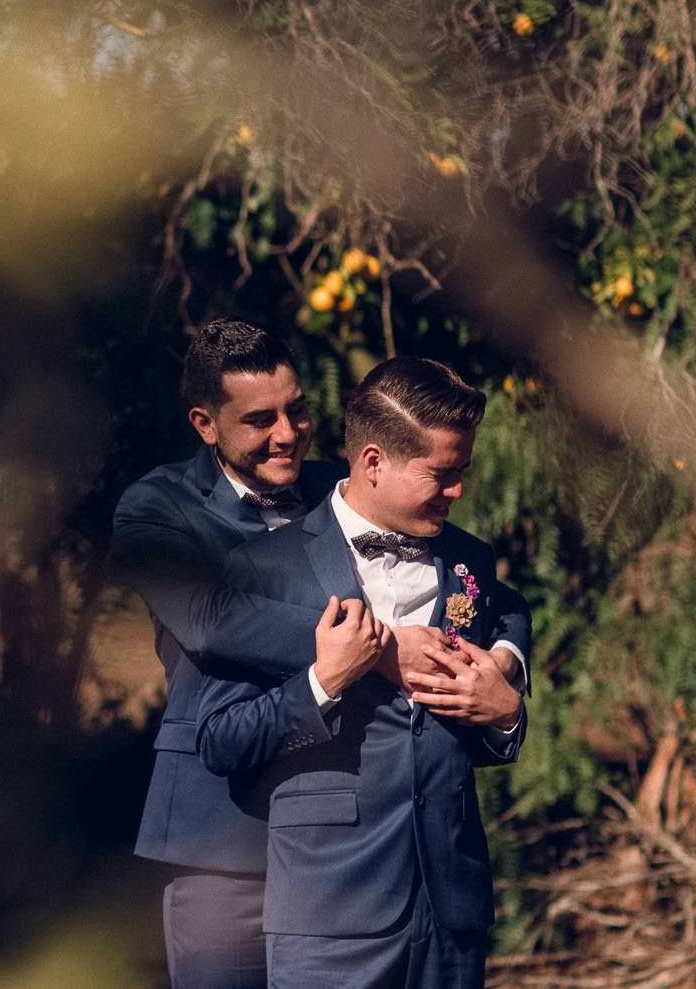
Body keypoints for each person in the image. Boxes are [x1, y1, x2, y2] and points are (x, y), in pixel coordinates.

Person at [112, 324, 528, 988]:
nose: (288, 432)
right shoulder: (156, 508)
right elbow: (211, 620)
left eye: (298, 408)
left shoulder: (355, 479)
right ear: (205, 423)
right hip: (224, 835)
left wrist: (504, 657)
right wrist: (379, 648)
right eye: (259, 419)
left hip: (358, 843)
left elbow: (488, 591)